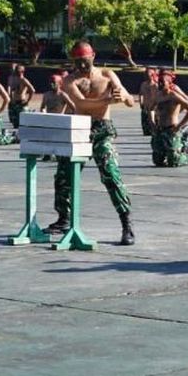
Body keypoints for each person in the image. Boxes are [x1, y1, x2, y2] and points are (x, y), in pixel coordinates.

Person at [48, 41, 138, 245]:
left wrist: (122, 96)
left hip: (102, 130)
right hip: (81, 129)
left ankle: (126, 223)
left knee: (111, 174)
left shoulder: (107, 75)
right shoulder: (71, 80)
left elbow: (129, 99)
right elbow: (80, 103)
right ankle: (64, 218)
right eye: (77, 61)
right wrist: (107, 100)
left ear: (93, 57)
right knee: (64, 175)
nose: (81, 65)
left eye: (84, 61)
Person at [150, 70, 188, 167]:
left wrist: (179, 125)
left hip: (172, 128)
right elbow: (150, 109)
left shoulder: (174, 95)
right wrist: (152, 123)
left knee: (173, 161)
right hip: (160, 129)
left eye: (163, 82)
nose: (160, 84)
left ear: (169, 83)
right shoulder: (158, 95)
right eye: (159, 81)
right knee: (157, 161)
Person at [7, 64, 35, 129]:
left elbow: (32, 90)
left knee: (23, 124)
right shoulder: (13, 79)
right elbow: (10, 88)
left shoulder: (24, 80)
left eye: (17, 70)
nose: (16, 71)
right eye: (16, 69)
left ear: (22, 71)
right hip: (14, 103)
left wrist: (28, 101)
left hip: (21, 103)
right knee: (15, 124)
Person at [138, 67, 158, 136]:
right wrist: (141, 102)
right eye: (145, 73)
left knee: (154, 123)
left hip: (154, 108)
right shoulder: (143, 84)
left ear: (153, 75)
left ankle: (156, 132)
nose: (146, 75)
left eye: (148, 73)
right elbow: (140, 94)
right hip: (145, 107)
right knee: (146, 129)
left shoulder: (156, 85)